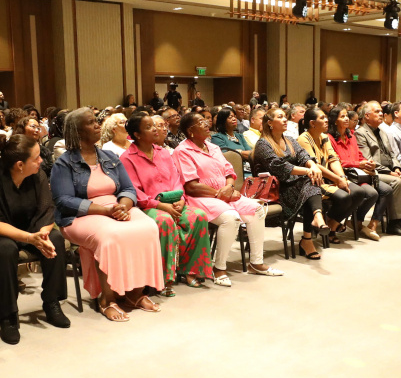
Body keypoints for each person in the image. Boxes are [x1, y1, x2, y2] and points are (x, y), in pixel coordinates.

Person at [51, 108, 165, 322]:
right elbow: (63, 201)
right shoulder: (64, 163)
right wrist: (105, 210)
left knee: (148, 227)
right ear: (77, 130)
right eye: (91, 122)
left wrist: (123, 206)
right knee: (110, 236)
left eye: (96, 121)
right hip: (79, 216)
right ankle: (107, 299)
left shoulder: (109, 157)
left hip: (115, 208)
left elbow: (128, 189)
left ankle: (134, 293)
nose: (97, 125)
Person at [0, 135, 70, 344]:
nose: (41, 161)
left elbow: (47, 211)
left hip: (25, 228)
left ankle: (52, 302)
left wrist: (42, 235)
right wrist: (31, 238)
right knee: (5, 247)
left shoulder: (37, 174)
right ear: (20, 165)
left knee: (55, 238)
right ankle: (8, 316)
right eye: (36, 158)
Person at [174, 112, 279, 283]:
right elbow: (191, 186)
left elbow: (229, 172)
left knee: (257, 210)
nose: (206, 123)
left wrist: (229, 187)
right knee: (231, 218)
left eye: (206, 120)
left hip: (224, 194)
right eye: (200, 122)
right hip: (200, 197)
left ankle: (256, 263)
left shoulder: (213, 147)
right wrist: (219, 193)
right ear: (190, 131)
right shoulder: (183, 151)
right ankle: (219, 268)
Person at [121, 113, 214, 293]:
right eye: (148, 127)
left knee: (198, 216)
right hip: (148, 206)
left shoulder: (163, 152)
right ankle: (163, 277)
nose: (155, 129)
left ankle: (190, 270)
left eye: (154, 125)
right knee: (165, 221)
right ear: (137, 135)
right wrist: (160, 206)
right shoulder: (127, 157)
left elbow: (176, 179)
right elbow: (134, 191)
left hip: (174, 202)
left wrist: (181, 199)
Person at [254, 107, 327, 260]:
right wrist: (308, 171)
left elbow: (304, 156)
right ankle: (312, 229)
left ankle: (315, 220)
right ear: (270, 123)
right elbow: (280, 167)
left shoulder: (290, 140)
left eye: (285, 117)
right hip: (276, 192)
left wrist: (313, 166)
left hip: (295, 186)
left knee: (310, 183)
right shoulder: (263, 144)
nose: (285, 120)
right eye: (280, 117)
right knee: (310, 183)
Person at [298, 107, 380, 240]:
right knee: (344, 197)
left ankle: (332, 224)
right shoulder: (303, 139)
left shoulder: (324, 137)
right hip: (315, 182)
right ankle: (329, 228)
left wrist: (342, 178)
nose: (326, 120)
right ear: (312, 123)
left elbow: (333, 159)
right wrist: (337, 179)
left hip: (330, 178)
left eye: (326, 117)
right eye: (322, 118)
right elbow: (315, 165)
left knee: (359, 192)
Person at [356, 102, 401, 236]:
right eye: (377, 111)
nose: (381, 113)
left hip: (391, 170)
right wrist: (390, 172)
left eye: (381, 111)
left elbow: (392, 154)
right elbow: (369, 160)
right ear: (367, 116)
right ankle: (395, 222)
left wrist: (396, 167)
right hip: (375, 172)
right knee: (396, 182)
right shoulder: (360, 133)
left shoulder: (382, 131)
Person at [329, 105, 391, 240]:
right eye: (342, 116)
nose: (347, 119)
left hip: (359, 173)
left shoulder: (351, 136)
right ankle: (341, 221)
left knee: (384, 190)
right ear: (335, 121)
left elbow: (359, 155)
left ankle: (357, 221)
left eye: (347, 116)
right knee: (371, 193)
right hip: (344, 174)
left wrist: (368, 163)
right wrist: (358, 164)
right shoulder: (330, 138)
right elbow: (335, 161)